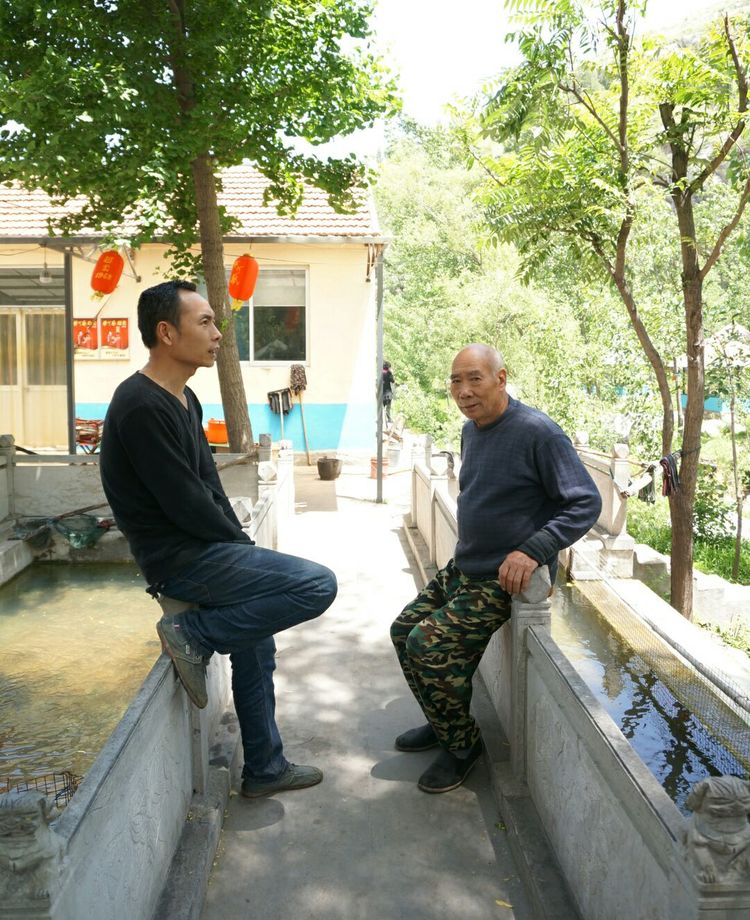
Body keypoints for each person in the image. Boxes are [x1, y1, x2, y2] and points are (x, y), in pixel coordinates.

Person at [100, 280, 337, 798]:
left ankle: (266, 769)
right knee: (317, 585)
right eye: (205, 322)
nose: (218, 334)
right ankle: (197, 635)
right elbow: (183, 502)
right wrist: (235, 549)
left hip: (207, 550)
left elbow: (209, 487)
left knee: (257, 645)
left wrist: (240, 546)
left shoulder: (184, 398)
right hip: (178, 560)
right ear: (167, 332)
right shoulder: (140, 405)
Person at [390, 343, 601, 794]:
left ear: (501, 379)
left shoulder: (538, 433)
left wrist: (533, 550)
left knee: (427, 646)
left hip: (503, 579)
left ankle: (463, 747)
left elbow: (585, 501)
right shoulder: (473, 429)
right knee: (402, 628)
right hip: (467, 565)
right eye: (456, 380)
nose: (464, 390)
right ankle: (443, 722)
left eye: (475, 378)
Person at [382, 360, 395, 425]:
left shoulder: (380, 372)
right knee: (388, 407)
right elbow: (392, 381)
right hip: (388, 392)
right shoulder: (389, 373)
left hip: (381, 393)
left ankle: (381, 419)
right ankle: (389, 419)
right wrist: (391, 373)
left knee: (382, 407)